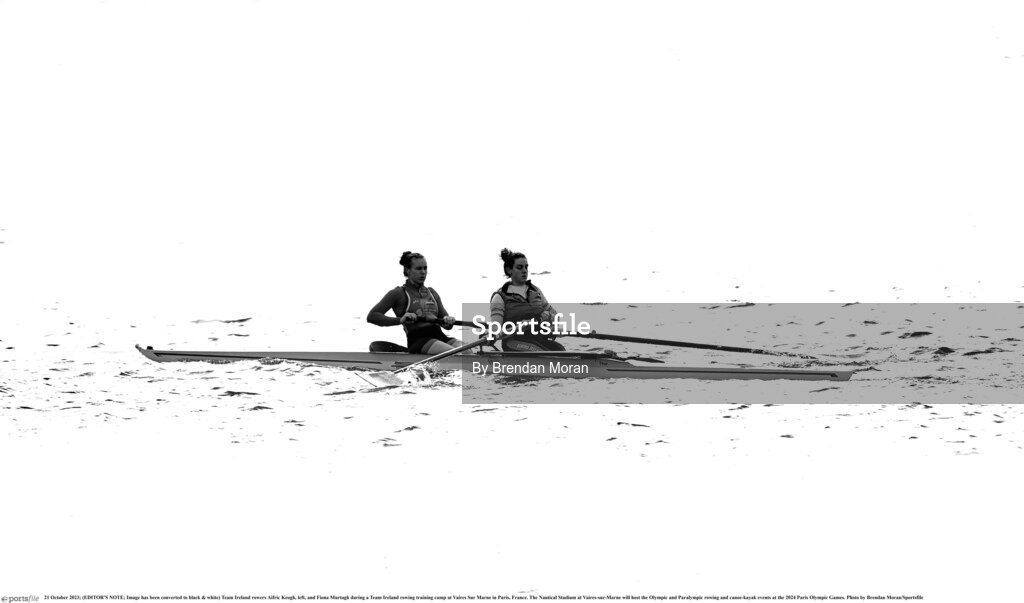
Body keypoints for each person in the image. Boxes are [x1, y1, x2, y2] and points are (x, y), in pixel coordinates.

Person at [367, 251, 462, 355]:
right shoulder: (398, 293)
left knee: (469, 352)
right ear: (407, 270)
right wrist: (400, 320)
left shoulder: (432, 293)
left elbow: (447, 326)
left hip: (441, 337)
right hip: (419, 341)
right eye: (418, 268)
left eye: (425, 268)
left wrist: (448, 321)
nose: (423, 272)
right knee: (456, 354)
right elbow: (372, 316)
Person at [490, 248, 566, 352]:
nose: (524, 270)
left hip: (538, 339)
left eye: (526, 267)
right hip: (514, 342)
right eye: (519, 267)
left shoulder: (535, 291)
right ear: (509, 270)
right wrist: (493, 334)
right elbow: (496, 330)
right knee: (544, 352)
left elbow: (555, 314)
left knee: (560, 349)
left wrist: (553, 323)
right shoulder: (499, 297)